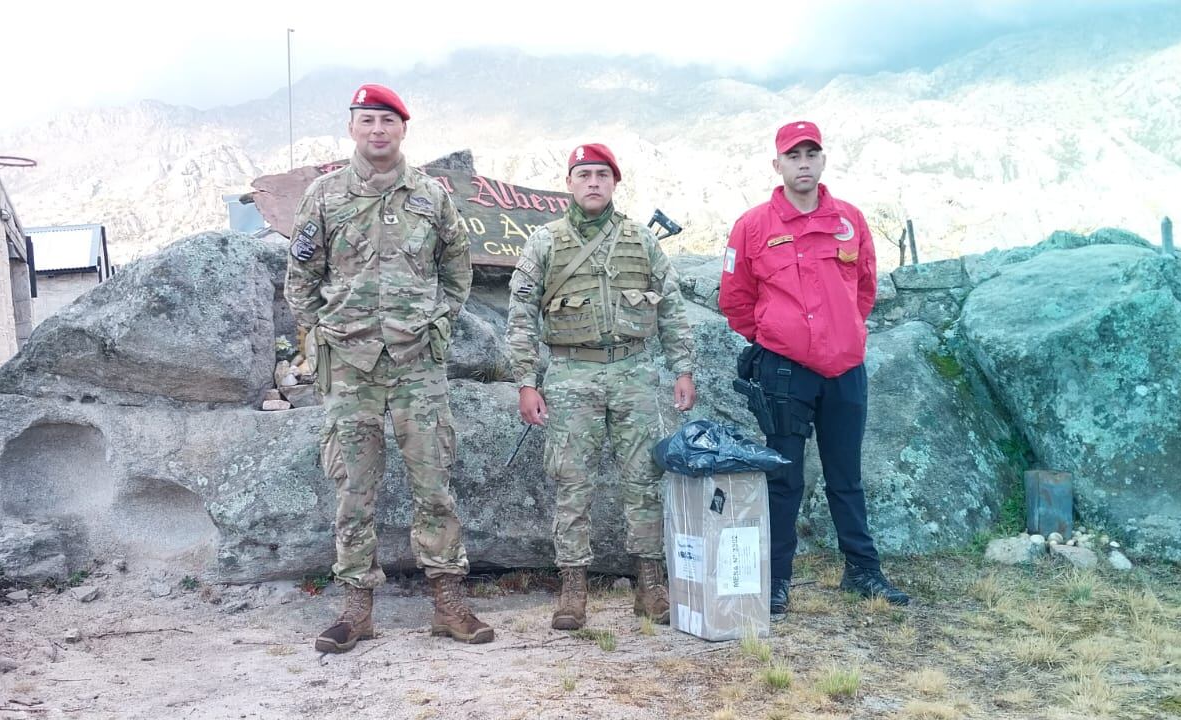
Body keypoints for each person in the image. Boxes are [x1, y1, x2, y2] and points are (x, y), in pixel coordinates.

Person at [285, 83, 493, 653]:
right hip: (350, 366)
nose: (378, 130)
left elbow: (457, 270)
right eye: (367, 119)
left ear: (404, 129)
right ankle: (356, 609)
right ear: (352, 127)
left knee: (434, 485)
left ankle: (449, 604)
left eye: (388, 121)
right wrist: (324, 332)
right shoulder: (324, 196)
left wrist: (438, 324)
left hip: (416, 363)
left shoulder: (430, 196)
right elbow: (299, 279)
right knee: (353, 488)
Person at [718, 121, 910, 620]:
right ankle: (776, 580)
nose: (803, 163)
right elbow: (735, 299)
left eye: (812, 153)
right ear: (777, 165)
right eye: (793, 155)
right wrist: (773, 338)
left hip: (845, 368)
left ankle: (863, 572)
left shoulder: (850, 220)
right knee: (784, 478)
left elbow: (864, 288)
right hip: (785, 371)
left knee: (846, 475)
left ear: (823, 160)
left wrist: (842, 332)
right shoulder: (752, 226)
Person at [504, 143, 697, 630]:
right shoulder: (544, 242)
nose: (593, 182)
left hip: (633, 371)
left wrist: (683, 368)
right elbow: (521, 317)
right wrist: (527, 382)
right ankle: (573, 588)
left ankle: (650, 583)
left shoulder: (641, 240)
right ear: (569, 182)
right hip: (570, 375)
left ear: (615, 183)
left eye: (602, 175)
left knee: (644, 480)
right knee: (571, 483)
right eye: (584, 174)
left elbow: (671, 307)